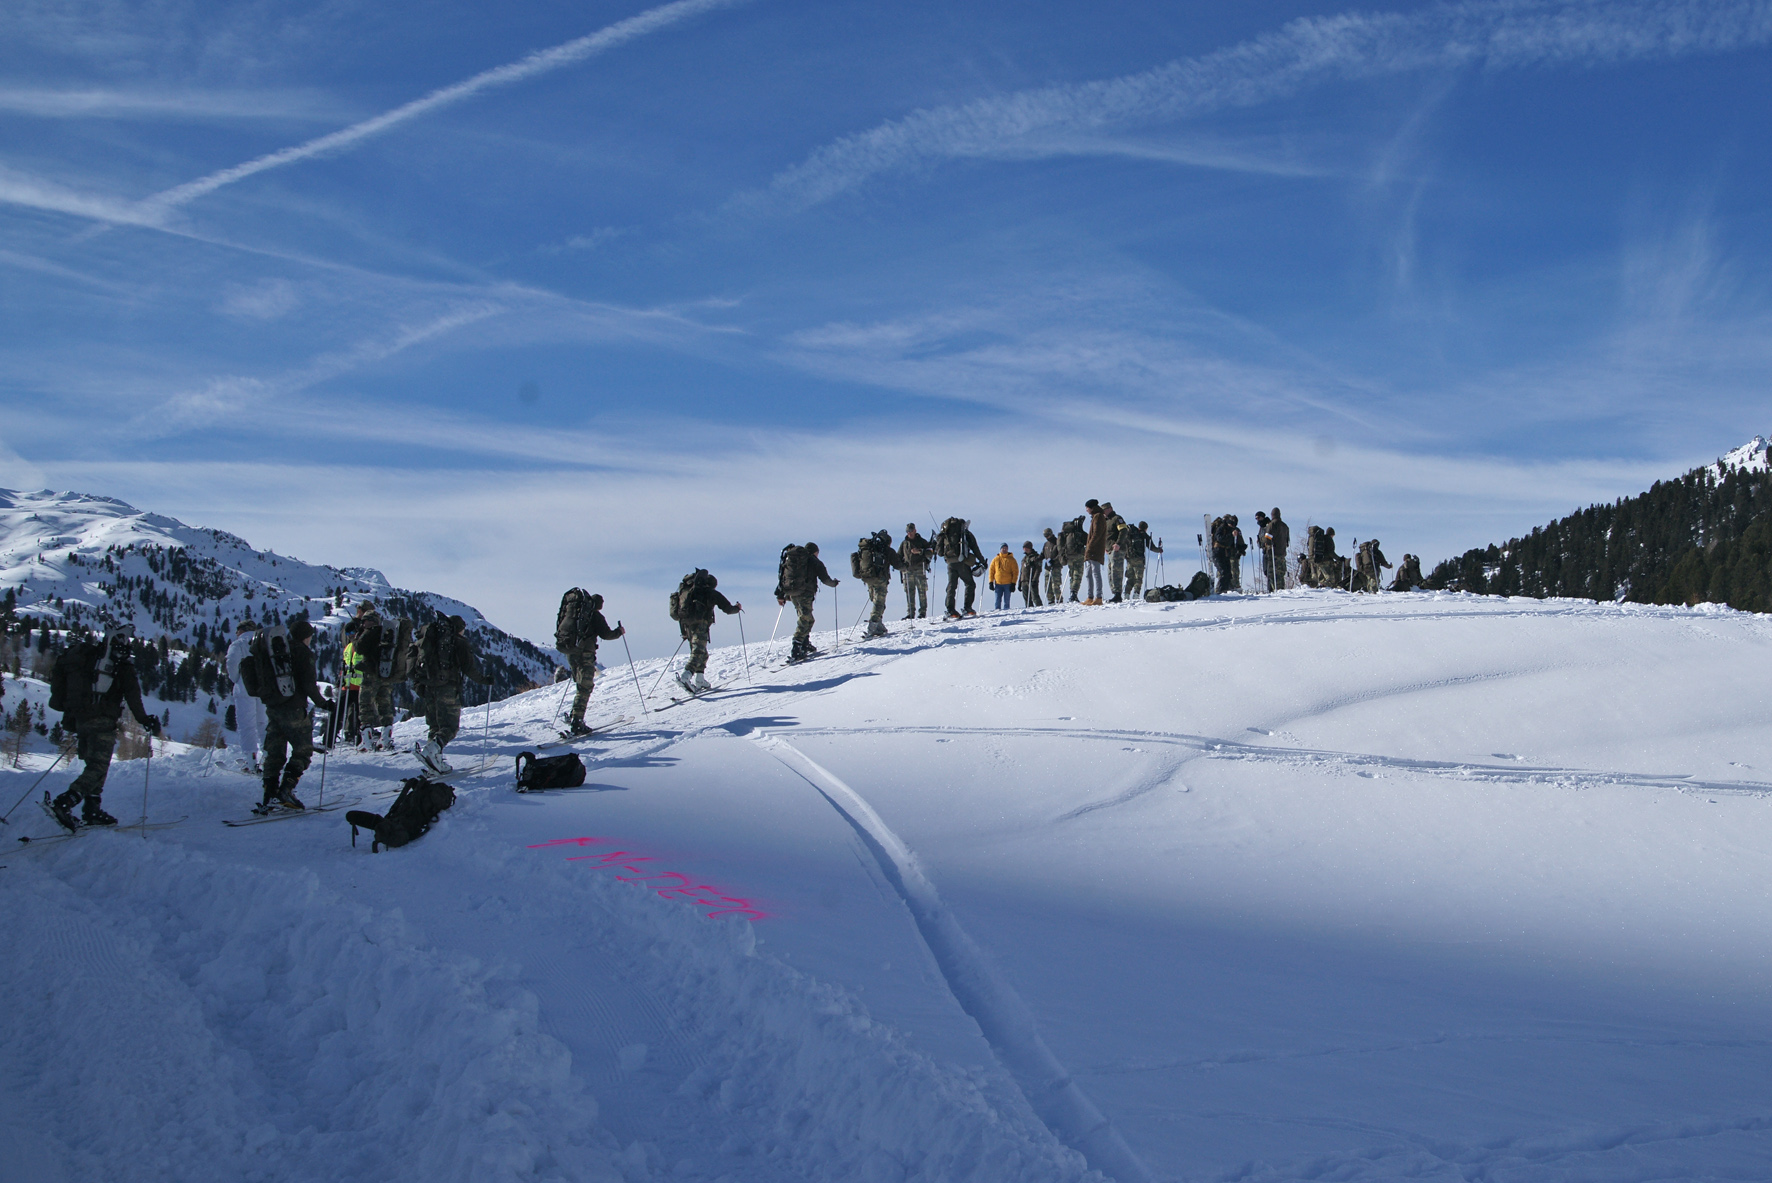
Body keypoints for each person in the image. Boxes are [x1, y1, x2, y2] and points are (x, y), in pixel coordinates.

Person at [47, 626, 160, 829]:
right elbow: (133, 696)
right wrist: (144, 720)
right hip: (103, 721)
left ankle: (92, 809)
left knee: (95, 763)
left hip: (80, 718)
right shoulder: (122, 666)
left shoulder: (89, 660)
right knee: (99, 766)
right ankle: (67, 801)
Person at [253, 619, 334, 810]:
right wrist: (324, 703)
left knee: (274, 751)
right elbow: (308, 685)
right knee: (303, 750)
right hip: (294, 709)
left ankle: (269, 793)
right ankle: (286, 790)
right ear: (307, 636)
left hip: (273, 707)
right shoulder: (303, 653)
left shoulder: (277, 650)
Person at [413, 614, 487, 773]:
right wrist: (484, 680)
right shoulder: (458, 642)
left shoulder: (431, 642)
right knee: (450, 727)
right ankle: (433, 750)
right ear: (459, 629)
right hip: (447, 687)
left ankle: (434, 759)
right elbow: (468, 668)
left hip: (428, 687)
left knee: (435, 725)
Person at [556, 588, 624, 733]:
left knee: (580, 685)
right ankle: (577, 722)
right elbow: (606, 634)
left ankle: (575, 715)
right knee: (585, 687)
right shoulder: (595, 615)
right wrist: (619, 631)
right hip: (585, 654)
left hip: (571, 652)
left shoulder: (577, 614)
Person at [349, 600, 400, 752]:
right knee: (384, 706)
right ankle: (386, 738)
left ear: (368, 622)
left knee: (365, 706)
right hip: (386, 675)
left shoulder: (369, 633)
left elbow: (359, 649)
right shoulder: (387, 634)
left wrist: (358, 636)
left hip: (371, 675)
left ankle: (366, 740)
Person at [776, 543, 837, 663]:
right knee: (807, 619)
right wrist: (834, 583)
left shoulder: (793, 560)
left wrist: (780, 594)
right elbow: (824, 578)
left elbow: (782, 576)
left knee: (802, 616)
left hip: (792, 593)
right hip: (805, 593)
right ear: (815, 552)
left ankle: (804, 643)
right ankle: (797, 646)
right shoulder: (813, 560)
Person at [224, 619, 265, 774]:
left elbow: (231, 663)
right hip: (263, 688)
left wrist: (236, 680)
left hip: (245, 688)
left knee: (246, 724)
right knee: (263, 723)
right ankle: (268, 757)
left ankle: (250, 761)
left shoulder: (238, 643)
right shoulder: (262, 642)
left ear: (241, 630)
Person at [853, 529, 904, 638]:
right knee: (879, 603)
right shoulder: (887, 550)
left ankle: (879, 626)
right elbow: (898, 565)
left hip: (868, 578)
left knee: (876, 601)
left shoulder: (869, 549)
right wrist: (906, 567)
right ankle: (873, 626)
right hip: (880, 579)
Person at [933, 517, 987, 618]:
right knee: (970, 584)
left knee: (951, 586)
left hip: (950, 562)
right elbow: (975, 548)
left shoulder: (945, 534)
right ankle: (967, 608)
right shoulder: (965, 534)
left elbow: (939, 553)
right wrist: (983, 561)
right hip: (962, 562)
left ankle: (950, 610)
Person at [898, 523, 935, 619]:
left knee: (922, 591)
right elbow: (898, 556)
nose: (909, 533)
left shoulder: (922, 541)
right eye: (907, 531)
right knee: (909, 592)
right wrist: (900, 566)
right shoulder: (904, 543)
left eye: (910, 531)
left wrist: (919, 551)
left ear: (915, 530)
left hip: (919, 569)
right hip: (907, 571)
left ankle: (922, 612)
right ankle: (910, 613)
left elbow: (931, 552)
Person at [1122, 520, 1161, 600]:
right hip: (1139, 559)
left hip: (1129, 558)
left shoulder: (1131, 533)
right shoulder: (1144, 535)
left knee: (1130, 577)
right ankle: (1136, 593)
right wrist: (1159, 550)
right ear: (1145, 528)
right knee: (1138, 578)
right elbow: (1151, 547)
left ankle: (1126, 593)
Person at [1083, 499, 1108, 604]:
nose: (1086, 510)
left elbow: (1096, 533)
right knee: (1088, 574)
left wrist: (1090, 547)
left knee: (1095, 572)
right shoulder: (1095, 517)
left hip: (1095, 550)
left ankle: (1098, 597)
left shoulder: (1098, 517)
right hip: (1091, 550)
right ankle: (1090, 596)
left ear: (1092, 507)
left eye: (1087, 508)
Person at [1104, 504, 1128, 602]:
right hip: (1109, 549)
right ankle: (1115, 592)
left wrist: (1118, 543)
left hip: (1117, 549)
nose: (1103, 512)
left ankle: (1118, 594)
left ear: (1110, 509)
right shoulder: (1106, 521)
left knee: (1116, 571)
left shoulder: (1117, 518)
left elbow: (1123, 531)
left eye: (1104, 510)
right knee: (1110, 572)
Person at [1058, 516, 1086, 601]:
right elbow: (1087, 540)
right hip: (1079, 555)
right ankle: (1074, 593)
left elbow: (1060, 545)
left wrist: (1062, 555)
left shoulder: (1066, 533)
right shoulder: (1078, 532)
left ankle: (1072, 592)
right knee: (1077, 575)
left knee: (1072, 575)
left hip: (1069, 556)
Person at [1263, 508, 1291, 591]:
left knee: (1272, 573)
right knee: (1280, 573)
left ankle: (1275, 589)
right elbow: (1287, 541)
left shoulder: (1272, 525)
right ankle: (1281, 589)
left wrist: (1263, 541)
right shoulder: (1285, 526)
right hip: (1282, 553)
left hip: (1273, 553)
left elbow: (1267, 538)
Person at [987, 544, 1019, 610]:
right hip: (998, 583)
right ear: (1000, 549)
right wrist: (990, 582)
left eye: (1006, 548)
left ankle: (1006, 613)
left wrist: (1013, 583)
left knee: (1006, 601)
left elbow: (1015, 572)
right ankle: (997, 614)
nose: (1004, 549)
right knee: (997, 601)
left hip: (1008, 583)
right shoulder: (995, 559)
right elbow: (991, 571)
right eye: (1003, 548)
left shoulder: (1012, 560)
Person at [1040, 526, 1063, 605]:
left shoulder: (1057, 542)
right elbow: (1042, 554)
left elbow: (1060, 553)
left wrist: (1054, 560)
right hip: (1047, 567)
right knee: (1047, 585)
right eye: (1045, 536)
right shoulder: (1046, 544)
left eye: (1047, 535)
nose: (1047, 537)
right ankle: (1050, 600)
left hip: (1055, 566)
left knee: (1055, 585)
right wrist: (1037, 559)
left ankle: (1059, 599)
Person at [1019, 540, 1043, 607]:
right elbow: (1022, 571)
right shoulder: (1024, 558)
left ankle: (1040, 608)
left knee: (1035, 596)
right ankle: (1029, 609)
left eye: (1026, 547)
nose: (1024, 549)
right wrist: (1020, 581)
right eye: (1024, 548)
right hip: (1024, 580)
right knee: (1026, 598)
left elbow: (1038, 569)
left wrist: (1035, 579)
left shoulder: (1036, 557)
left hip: (1031, 579)